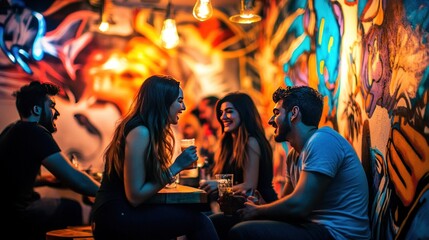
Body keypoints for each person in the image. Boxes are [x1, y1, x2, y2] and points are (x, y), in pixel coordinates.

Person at [227, 86, 370, 240]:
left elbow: (299, 205)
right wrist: (259, 204)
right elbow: (286, 205)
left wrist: (257, 212)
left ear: (293, 113)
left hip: (337, 234)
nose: (270, 121)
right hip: (311, 227)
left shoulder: (322, 141)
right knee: (224, 222)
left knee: (242, 232)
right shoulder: (294, 155)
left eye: (276, 113)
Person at [90, 75, 219, 240]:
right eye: (179, 101)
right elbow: (135, 196)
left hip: (120, 212)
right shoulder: (140, 131)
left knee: (187, 219)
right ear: (163, 101)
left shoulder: (146, 131)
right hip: (115, 216)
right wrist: (176, 166)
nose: (184, 107)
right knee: (199, 221)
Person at [0, 81, 100, 240]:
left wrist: (46, 180)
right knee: (74, 208)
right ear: (37, 109)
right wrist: (107, 192)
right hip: (19, 214)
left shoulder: (11, 130)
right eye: (52, 106)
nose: (56, 112)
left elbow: (14, 179)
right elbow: (76, 179)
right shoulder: (35, 132)